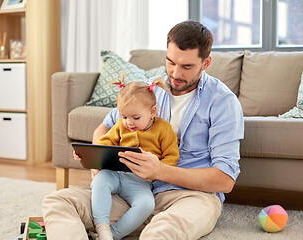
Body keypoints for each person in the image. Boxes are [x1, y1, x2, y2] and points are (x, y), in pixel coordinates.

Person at [42, 20, 244, 240]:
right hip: (133, 191)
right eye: (170, 62)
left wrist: (159, 171)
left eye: (187, 67)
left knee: (162, 232)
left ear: (206, 63)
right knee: (58, 201)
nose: (175, 73)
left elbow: (225, 180)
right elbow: (105, 126)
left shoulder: (223, 101)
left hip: (191, 198)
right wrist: (97, 161)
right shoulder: (147, 89)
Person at [74, 77, 179, 240]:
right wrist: (88, 154)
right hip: (114, 173)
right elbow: (105, 142)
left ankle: (113, 234)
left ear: (152, 112)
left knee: (147, 204)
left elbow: (172, 156)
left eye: (135, 118)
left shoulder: (164, 129)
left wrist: (157, 169)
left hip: (140, 182)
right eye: (124, 117)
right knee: (99, 181)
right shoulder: (120, 126)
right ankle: (102, 227)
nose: (128, 123)